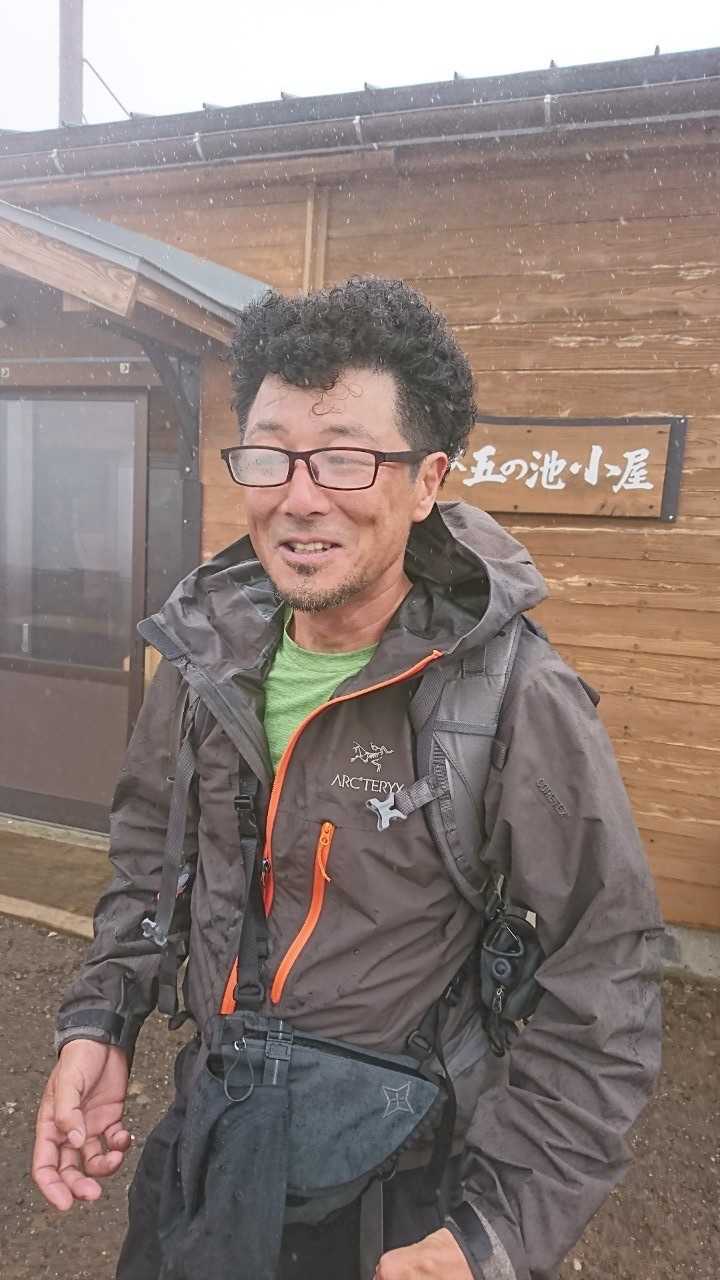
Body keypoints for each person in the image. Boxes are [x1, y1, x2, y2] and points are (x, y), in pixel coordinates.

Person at [32, 277, 663, 1280]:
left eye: (344, 457)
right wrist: (102, 1024)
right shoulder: (206, 655)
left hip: (400, 1190)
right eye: (271, 454)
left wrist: (496, 1233)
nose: (299, 495)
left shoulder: (512, 698)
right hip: (214, 1132)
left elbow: (607, 975)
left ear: (427, 480)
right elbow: (151, 856)